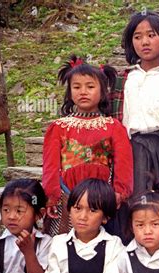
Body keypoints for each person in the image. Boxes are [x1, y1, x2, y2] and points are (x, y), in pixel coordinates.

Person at [42, 54, 133, 236]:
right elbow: (50, 166)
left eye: (90, 87)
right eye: (76, 87)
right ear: (69, 92)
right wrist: (51, 197)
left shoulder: (113, 127)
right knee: (64, 245)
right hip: (67, 196)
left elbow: (124, 163)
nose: (83, 92)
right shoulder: (59, 127)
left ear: (102, 92)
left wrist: (119, 192)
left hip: (101, 197)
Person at [36, 179, 125, 273]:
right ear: (69, 209)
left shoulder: (113, 245)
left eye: (92, 210)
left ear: (105, 217)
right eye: (77, 208)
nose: (82, 216)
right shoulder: (59, 242)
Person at [120, 10, 159, 197]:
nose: (144, 42)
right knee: (135, 201)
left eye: (151, 35)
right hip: (132, 148)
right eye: (137, 37)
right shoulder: (124, 80)